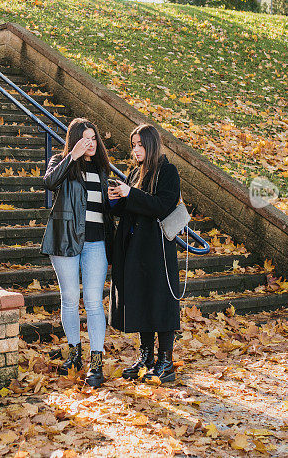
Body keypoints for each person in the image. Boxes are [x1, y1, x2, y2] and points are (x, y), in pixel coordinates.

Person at [41, 118, 115, 388]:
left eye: (94, 138)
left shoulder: (102, 169)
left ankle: (97, 361)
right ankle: (74, 352)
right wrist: (72, 156)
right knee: (70, 297)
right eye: (85, 139)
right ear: (74, 141)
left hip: (96, 244)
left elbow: (107, 210)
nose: (91, 143)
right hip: (65, 241)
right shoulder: (60, 163)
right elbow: (50, 183)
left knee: (94, 300)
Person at [108, 124, 181, 384]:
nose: (135, 150)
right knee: (141, 301)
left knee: (160, 301)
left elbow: (162, 205)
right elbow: (131, 209)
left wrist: (132, 194)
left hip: (157, 250)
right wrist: (116, 199)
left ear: (150, 145)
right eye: (133, 145)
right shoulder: (134, 173)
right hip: (134, 249)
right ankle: (146, 356)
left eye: (140, 144)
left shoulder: (167, 171)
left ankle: (166, 361)